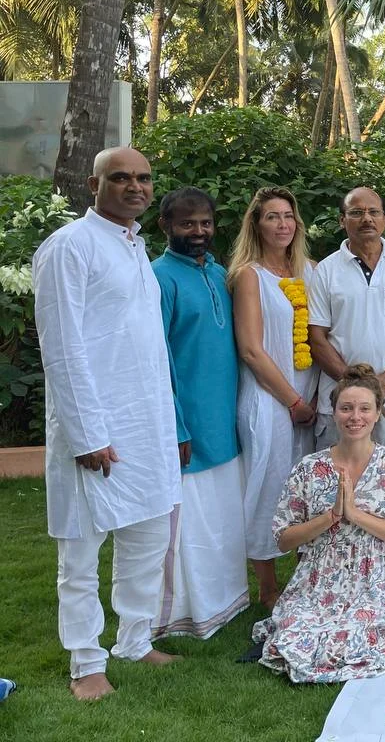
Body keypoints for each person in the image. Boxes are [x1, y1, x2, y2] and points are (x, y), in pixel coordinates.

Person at [32, 147, 182, 700]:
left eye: (144, 178)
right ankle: (85, 662)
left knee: (147, 537)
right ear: (94, 185)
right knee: (80, 550)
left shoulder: (133, 246)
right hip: (94, 431)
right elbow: (63, 347)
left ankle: (136, 640)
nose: (135, 187)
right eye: (121, 178)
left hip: (146, 422)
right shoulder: (69, 247)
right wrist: (87, 433)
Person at [252, 365, 385, 682]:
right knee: (295, 631)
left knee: (353, 636)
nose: (355, 417)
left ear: (378, 414)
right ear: (333, 413)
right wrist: (331, 516)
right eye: (346, 408)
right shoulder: (309, 467)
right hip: (318, 579)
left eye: (364, 408)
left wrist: (356, 514)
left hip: (375, 579)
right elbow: (283, 538)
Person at [151, 187, 248, 639]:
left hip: (223, 424)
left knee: (222, 520)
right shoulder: (158, 277)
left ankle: (224, 604)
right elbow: (157, 360)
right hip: (185, 428)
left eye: (205, 223)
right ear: (165, 226)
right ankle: (178, 617)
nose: (198, 232)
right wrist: (176, 426)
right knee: (186, 527)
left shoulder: (218, 272)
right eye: (187, 223)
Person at [228, 186, 320, 608]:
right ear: (256, 224)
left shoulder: (310, 271)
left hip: (310, 398)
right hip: (270, 400)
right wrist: (292, 402)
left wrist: (313, 399)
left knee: (307, 489)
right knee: (269, 485)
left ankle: (306, 575)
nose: (282, 224)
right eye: (272, 217)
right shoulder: (250, 276)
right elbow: (250, 349)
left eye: (288, 216)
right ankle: (266, 586)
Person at [308, 187, 385, 455]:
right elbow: (316, 337)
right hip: (339, 403)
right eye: (356, 213)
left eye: (374, 212)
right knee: (335, 484)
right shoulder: (326, 270)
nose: (367, 219)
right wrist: (352, 385)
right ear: (342, 220)